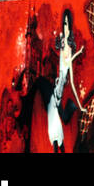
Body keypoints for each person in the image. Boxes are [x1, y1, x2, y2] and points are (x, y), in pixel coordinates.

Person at [38, 8, 84, 153]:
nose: (65, 27)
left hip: (61, 85)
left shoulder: (69, 48)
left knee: (55, 110)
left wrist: (80, 105)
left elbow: (68, 72)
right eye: (63, 24)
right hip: (58, 84)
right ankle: (58, 145)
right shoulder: (63, 42)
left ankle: (69, 110)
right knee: (54, 115)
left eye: (67, 24)